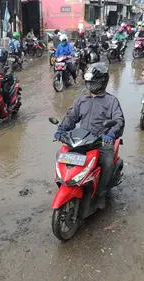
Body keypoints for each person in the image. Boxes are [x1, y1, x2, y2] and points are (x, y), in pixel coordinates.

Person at [53, 63, 125, 209]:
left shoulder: (111, 101)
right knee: (61, 154)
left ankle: (101, 193)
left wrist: (110, 135)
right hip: (82, 140)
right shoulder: (82, 100)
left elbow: (119, 121)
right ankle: (68, 184)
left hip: (101, 142)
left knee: (106, 161)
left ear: (102, 82)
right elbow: (71, 117)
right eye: (90, 82)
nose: (91, 85)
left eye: (94, 82)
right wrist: (61, 129)